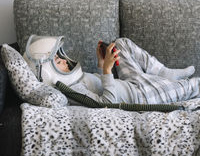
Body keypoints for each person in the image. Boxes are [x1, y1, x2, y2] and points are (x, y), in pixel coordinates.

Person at [51, 37, 198, 105]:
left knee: (121, 43)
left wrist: (101, 64)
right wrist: (108, 69)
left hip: (132, 82)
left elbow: (99, 86)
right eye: (59, 62)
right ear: (50, 73)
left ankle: (163, 72)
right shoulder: (73, 90)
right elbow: (106, 103)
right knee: (196, 84)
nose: (64, 60)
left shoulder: (75, 79)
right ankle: (167, 79)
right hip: (142, 96)